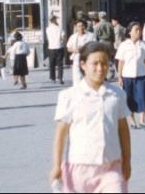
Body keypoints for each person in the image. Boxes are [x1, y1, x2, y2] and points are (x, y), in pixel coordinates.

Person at [51, 42, 131, 193]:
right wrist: (56, 165)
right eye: (95, 63)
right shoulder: (69, 96)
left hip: (111, 167)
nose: (100, 69)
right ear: (83, 65)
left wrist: (127, 160)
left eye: (104, 64)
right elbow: (60, 134)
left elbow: (123, 130)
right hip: (78, 168)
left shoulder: (117, 95)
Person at [115, 23, 145, 130]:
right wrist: (119, 76)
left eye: (139, 29)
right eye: (136, 30)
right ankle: (132, 121)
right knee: (129, 98)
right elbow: (121, 62)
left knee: (142, 97)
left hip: (141, 75)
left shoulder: (143, 45)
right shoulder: (124, 45)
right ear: (130, 32)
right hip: (127, 76)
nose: (138, 32)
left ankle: (142, 120)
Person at [66, 20, 96, 86]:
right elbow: (68, 48)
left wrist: (84, 48)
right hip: (77, 59)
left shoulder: (91, 36)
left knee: (88, 76)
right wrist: (75, 50)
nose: (81, 28)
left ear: (85, 26)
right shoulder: (73, 37)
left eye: (82, 25)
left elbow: (94, 47)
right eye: (78, 26)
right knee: (77, 78)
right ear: (76, 27)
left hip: (88, 58)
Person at [46, 16, 66, 85]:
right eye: (56, 19)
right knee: (60, 64)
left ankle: (53, 78)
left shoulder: (48, 29)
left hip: (51, 47)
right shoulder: (59, 28)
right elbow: (63, 37)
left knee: (52, 64)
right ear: (54, 20)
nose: (57, 20)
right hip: (59, 47)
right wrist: (61, 41)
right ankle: (60, 78)